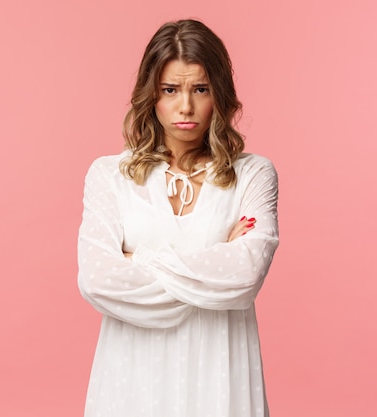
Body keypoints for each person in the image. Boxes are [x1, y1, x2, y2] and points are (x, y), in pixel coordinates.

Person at [77, 19, 279, 417]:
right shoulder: (109, 175)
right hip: (131, 378)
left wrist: (139, 259)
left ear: (218, 94)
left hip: (221, 374)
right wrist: (217, 254)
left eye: (200, 89)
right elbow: (97, 279)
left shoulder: (253, 174)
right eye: (170, 90)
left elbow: (244, 276)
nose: (185, 106)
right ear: (151, 96)